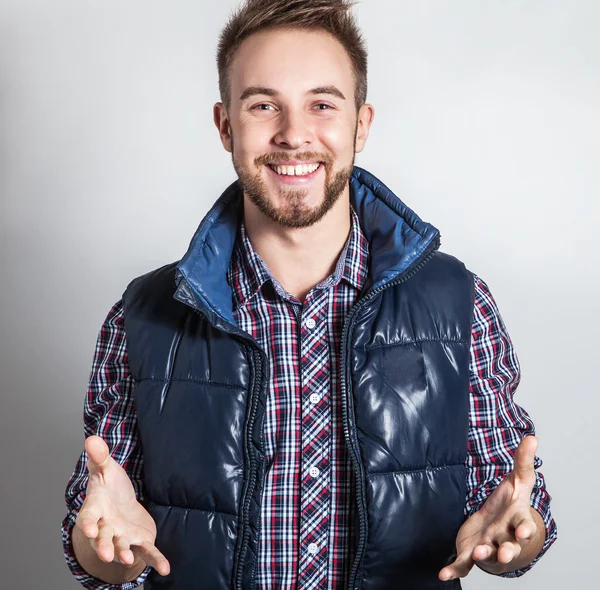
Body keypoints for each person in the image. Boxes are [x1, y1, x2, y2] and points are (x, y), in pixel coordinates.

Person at [61, 1, 557, 588]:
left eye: (322, 104)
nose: (294, 134)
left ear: (361, 125)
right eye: (263, 105)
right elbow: (98, 539)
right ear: (225, 126)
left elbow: (516, 510)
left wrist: (517, 539)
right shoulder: (143, 317)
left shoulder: (459, 305)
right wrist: (105, 551)